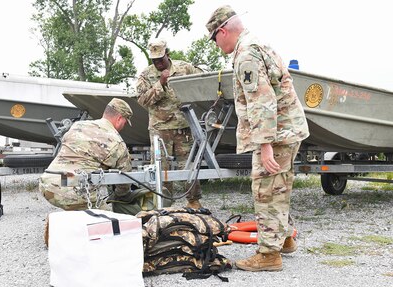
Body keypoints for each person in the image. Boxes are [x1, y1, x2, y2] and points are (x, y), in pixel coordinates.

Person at [206, 5, 310, 271]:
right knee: (280, 187)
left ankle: (268, 255)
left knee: (266, 191)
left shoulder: (246, 54)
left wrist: (264, 146)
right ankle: (284, 240)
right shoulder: (258, 44)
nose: (216, 45)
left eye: (214, 38)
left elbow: (261, 101)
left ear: (222, 31)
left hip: (275, 134)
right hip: (287, 129)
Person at [40, 98, 146, 216]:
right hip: (71, 190)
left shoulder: (78, 126)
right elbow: (124, 182)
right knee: (109, 219)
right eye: (125, 123)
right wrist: (121, 196)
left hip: (48, 183)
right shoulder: (117, 142)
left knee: (78, 208)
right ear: (119, 118)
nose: (123, 126)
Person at [135, 39, 204, 209]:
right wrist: (160, 84)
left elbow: (202, 78)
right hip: (160, 130)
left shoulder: (184, 68)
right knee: (161, 170)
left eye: (161, 59)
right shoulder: (146, 75)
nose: (158, 63)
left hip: (183, 128)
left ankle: (193, 202)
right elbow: (143, 100)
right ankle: (164, 205)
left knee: (188, 166)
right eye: (154, 60)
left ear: (168, 54)